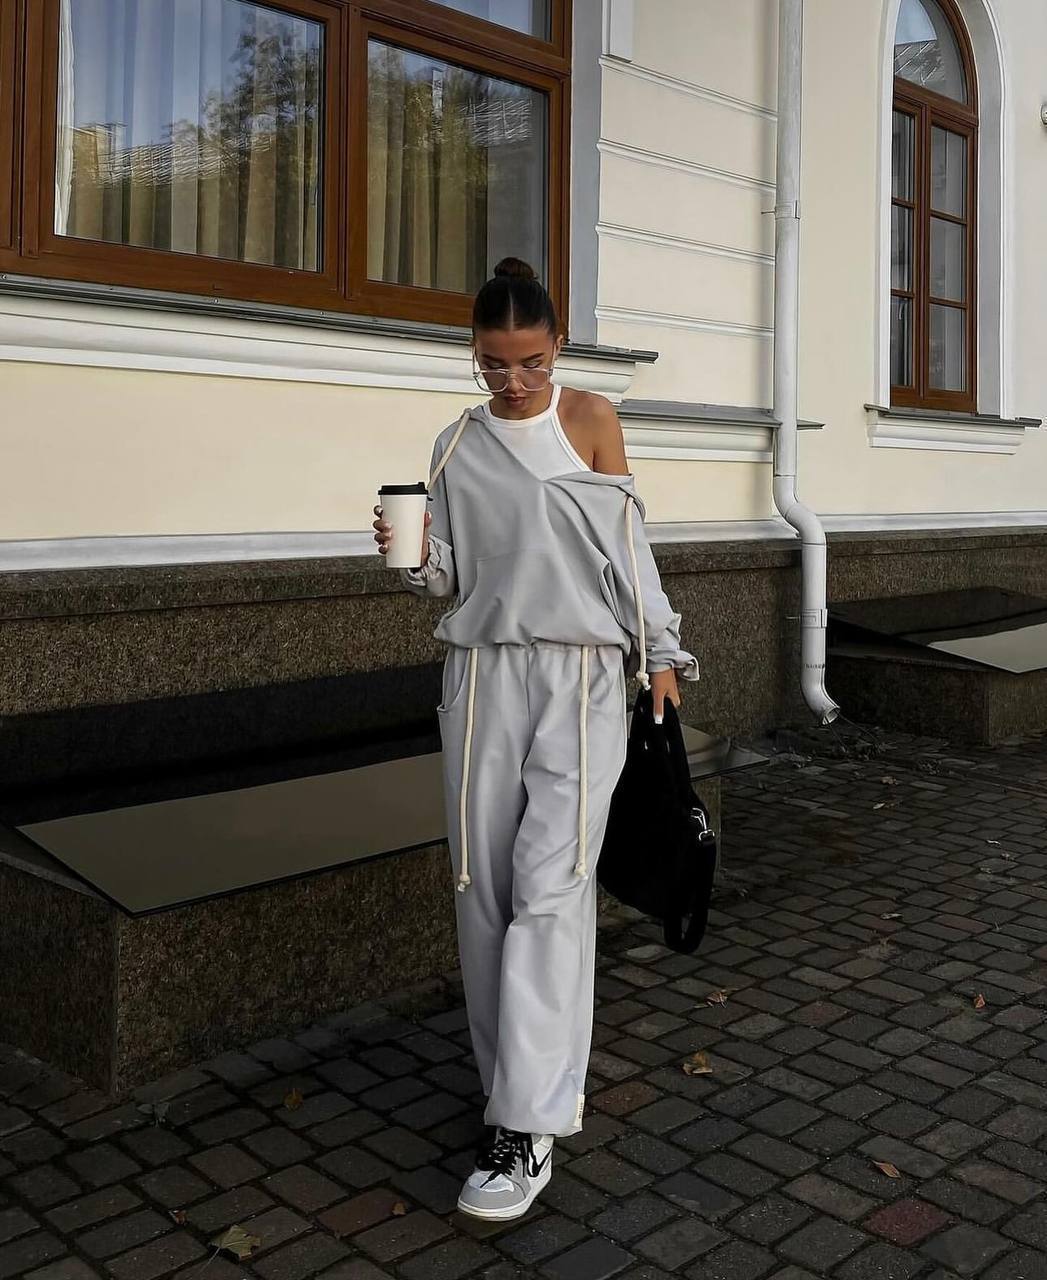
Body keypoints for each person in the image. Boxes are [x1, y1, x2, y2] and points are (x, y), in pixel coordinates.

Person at [372, 258, 699, 1221]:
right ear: (472, 357)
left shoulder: (588, 421)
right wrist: (409, 558)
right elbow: (448, 581)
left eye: (528, 360)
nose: (511, 381)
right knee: (484, 888)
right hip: (480, 681)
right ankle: (501, 1087)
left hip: (586, 677)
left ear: (556, 347)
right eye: (491, 364)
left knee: (553, 889)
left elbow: (626, 547)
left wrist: (664, 654)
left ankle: (528, 1127)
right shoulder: (453, 443)